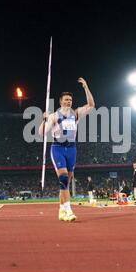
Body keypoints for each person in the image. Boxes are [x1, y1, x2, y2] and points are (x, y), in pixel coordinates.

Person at [39, 77, 95, 222]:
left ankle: (61, 210)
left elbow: (91, 105)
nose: (68, 101)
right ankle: (69, 211)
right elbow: (41, 133)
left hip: (72, 149)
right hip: (58, 148)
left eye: (70, 100)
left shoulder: (75, 114)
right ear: (61, 101)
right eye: (66, 99)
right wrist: (44, 120)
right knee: (63, 179)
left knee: (66, 183)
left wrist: (86, 87)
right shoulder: (54, 116)